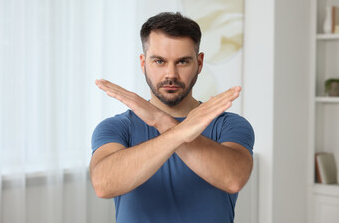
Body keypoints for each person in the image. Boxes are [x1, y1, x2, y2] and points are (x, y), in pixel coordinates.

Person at [90, 12, 254, 223]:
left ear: (200, 63)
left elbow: (233, 179)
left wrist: (161, 121)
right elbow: (103, 184)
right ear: (143, 63)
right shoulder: (117, 127)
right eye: (159, 61)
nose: (171, 74)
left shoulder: (228, 125)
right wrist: (179, 131)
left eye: (183, 62)